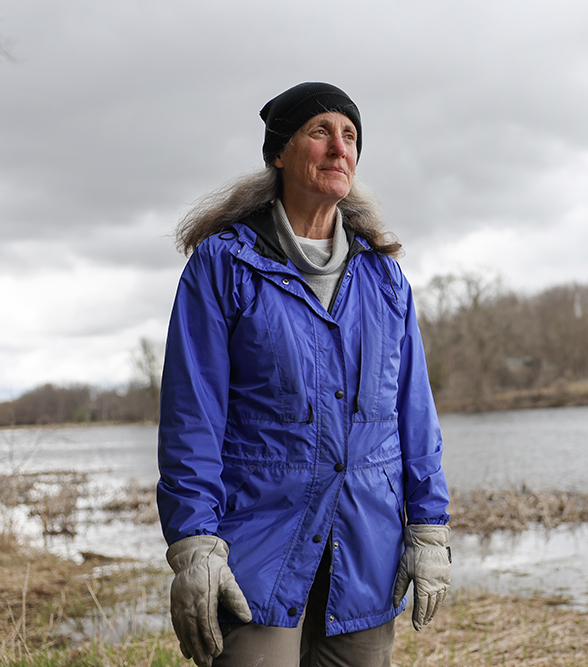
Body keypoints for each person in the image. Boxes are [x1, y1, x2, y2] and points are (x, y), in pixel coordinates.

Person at [156, 82, 451, 667]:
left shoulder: (385, 280)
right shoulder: (224, 266)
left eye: (350, 136)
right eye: (320, 131)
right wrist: (194, 545)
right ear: (279, 154)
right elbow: (193, 418)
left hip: (366, 548)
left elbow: (413, 417)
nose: (339, 148)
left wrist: (429, 527)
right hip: (255, 550)